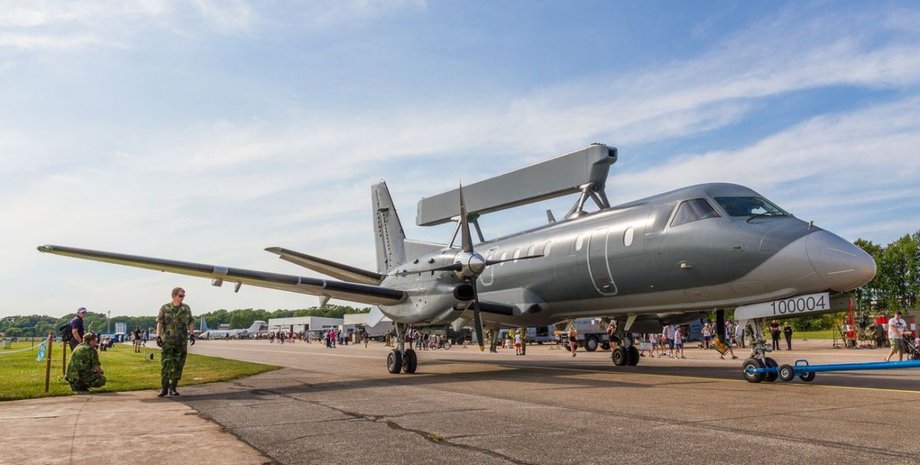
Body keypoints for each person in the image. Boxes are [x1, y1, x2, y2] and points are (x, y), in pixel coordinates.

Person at [156, 287, 195, 397]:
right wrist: (158, 336)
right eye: (181, 295)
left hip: (181, 342)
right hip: (167, 342)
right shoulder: (165, 308)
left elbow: (191, 322)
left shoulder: (186, 308)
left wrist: (192, 334)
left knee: (178, 365)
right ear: (174, 296)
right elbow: (160, 322)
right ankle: (164, 388)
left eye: (183, 296)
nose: (182, 298)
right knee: (166, 364)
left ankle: (173, 387)